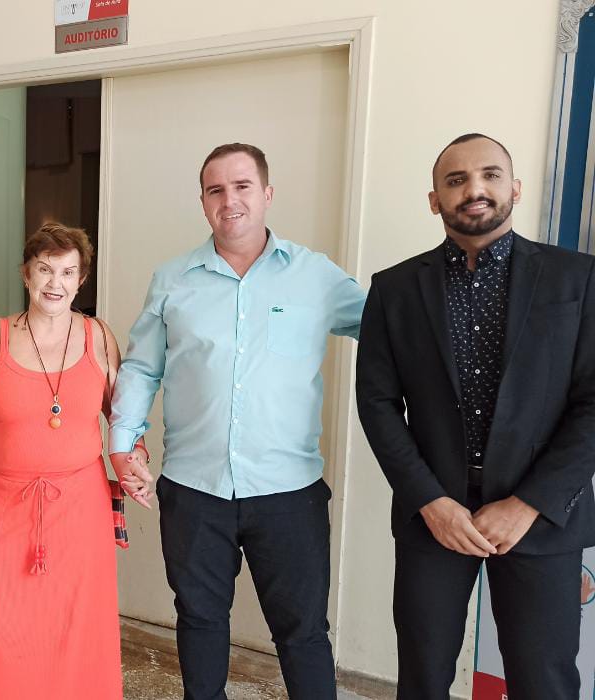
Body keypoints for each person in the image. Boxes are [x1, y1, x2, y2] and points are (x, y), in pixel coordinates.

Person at [109, 143, 366, 699]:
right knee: (200, 622)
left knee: (303, 635)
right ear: (203, 201)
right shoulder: (173, 278)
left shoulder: (315, 276)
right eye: (216, 190)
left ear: (267, 193)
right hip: (194, 491)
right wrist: (123, 442)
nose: (231, 200)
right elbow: (141, 366)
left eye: (243, 186)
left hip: (289, 494)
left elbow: (389, 333)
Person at [356, 133, 595, 698]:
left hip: (540, 519)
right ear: (435, 199)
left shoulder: (578, 279)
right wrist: (430, 502)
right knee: (423, 675)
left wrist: (530, 503)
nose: (475, 190)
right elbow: (378, 404)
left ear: (514, 188)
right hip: (433, 517)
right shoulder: (394, 289)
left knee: (544, 682)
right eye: (456, 180)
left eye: (489, 175)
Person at [0, 222, 148, 699]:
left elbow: (120, 414)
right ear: (25, 274)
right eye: (44, 269)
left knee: (77, 627)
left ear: (81, 281)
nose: (54, 283)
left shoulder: (98, 337)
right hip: (4, 503)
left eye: (67, 271)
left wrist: (135, 457)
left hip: (81, 509)